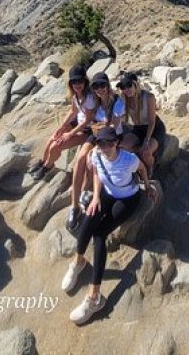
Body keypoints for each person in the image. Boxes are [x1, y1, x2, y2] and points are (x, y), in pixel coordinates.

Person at [61, 127, 157, 324]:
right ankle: (78, 261)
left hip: (128, 198)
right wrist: (96, 196)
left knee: (99, 235)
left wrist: (147, 187)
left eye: (110, 143)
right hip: (107, 194)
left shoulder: (128, 159)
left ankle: (94, 297)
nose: (105, 147)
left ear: (117, 142)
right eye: (101, 143)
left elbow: (142, 169)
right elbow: (96, 172)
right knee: (87, 221)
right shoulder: (96, 154)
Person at [65, 71, 126, 232]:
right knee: (81, 157)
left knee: (93, 158)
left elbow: (114, 125)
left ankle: (87, 189)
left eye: (102, 85)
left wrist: (102, 126)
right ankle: (74, 206)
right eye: (96, 86)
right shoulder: (96, 102)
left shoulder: (117, 102)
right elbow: (87, 116)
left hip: (112, 137)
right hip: (97, 134)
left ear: (108, 85)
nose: (100, 89)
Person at [29, 65, 97, 182]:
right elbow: (73, 111)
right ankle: (44, 162)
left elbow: (87, 120)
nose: (77, 84)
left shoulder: (89, 97)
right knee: (53, 138)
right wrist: (62, 127)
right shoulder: (76, 95)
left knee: (56, 145)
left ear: (85, 81)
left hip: (87, 130)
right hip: (77, 124)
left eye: (80, 81)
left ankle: (47, 167)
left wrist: (70, 134)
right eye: (74, 82)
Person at [117, 71, 166, 177]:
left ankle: (150, 166)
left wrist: (146, 140)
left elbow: (152, 121)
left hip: (154, 127)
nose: (126, 90)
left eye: (129, 85)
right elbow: (123, 117)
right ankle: (137, 157)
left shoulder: (148, 97)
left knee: (146, 152)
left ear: (136, 84)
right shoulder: (124, 99)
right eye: (123, 87)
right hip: (138, 128)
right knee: (122, 147)